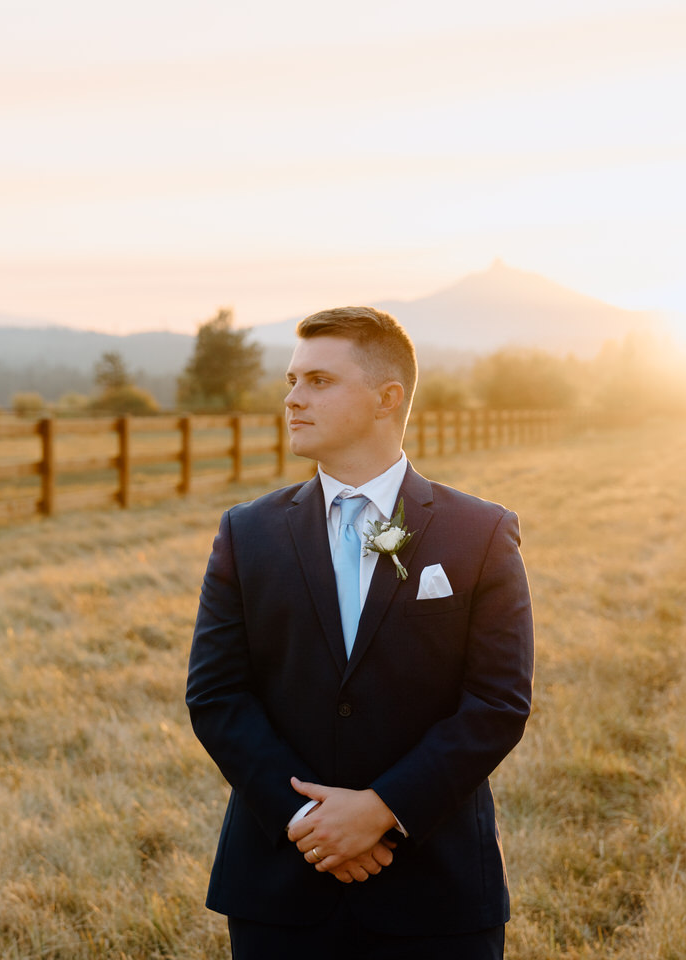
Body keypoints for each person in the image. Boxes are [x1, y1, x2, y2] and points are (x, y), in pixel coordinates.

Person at [186, 305, 535, 959]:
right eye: (291, 381)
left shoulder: (479, 533)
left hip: (435, 887)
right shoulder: (247, 533)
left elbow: (497, 702)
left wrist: (383, 809)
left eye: (318, 381)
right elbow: (217, 696)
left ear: (387, 398)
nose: (292, 399)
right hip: (282, 886)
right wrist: (310, 823)